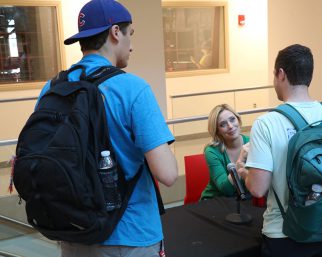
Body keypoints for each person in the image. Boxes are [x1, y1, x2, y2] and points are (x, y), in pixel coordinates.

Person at [37, 0, 178, 256]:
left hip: (73, 233)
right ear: (115, 32)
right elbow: (167, 174)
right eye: (130, 34)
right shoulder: (133, 88)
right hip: (132, 236)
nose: (131, 46)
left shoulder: (52, 88)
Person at [244, 44, 322, 257]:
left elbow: (257, 188)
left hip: (284, 234)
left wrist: (243, 171)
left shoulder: (267, 123)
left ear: (281, 74)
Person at [200, 104, 250, 200]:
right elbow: (226, 190)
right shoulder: (211, 151)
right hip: (216, 201)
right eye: (223, 124)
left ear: (238, 120)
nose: (230, 126)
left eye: (232, 119)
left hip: (245, 199)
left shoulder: (252, 142)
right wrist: (240, 161)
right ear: (217, 131)